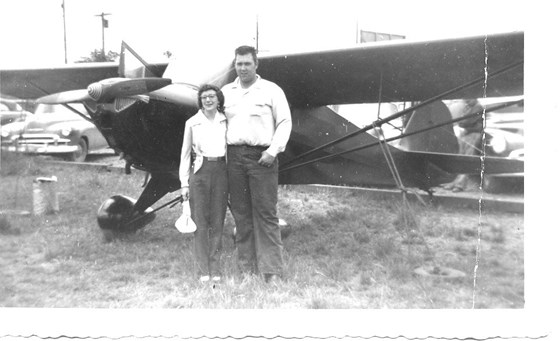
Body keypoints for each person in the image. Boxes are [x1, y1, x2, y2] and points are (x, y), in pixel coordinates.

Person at [221, 45, 292, 283]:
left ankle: (271, 272)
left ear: (256, 64)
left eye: (247, 63)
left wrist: (273, 151)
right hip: (234, 158)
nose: (242, 68)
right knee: (241, 216)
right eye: (238, 64)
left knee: (266, 214)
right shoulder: (226, 92)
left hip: (261, 158)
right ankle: (247, 270)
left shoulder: (271, 90)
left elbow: (284, 122)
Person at [179, 84, 228, 283]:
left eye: (212, 97)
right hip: (200, 172)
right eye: (204, 97)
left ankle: (215, 268)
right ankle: (203, 270)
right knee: (200, 221)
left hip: (221, 172)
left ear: (218, 100)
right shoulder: (192, 122)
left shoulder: (226, 121)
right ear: (200, 101)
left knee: (218, 220)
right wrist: (184, 183)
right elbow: (184, 155)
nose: (208, 100)